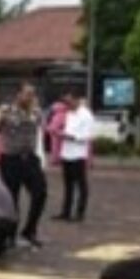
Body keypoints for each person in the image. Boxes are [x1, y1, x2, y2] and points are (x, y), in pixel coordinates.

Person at [0, 82, 47, 248]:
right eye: (27, 94)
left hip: (29, 158)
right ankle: (9, 234)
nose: (31, 97)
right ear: (18, 95)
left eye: (33, 94)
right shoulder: (6, 111)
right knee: (11, 198)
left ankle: (29, 230)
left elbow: (39, 126)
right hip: (11, 159)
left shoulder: (36, 111)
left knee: (40, 192)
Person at [52, 92, 95, 222]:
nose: (67, 105)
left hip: (78, 154)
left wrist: (72, 137)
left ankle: (79, 212)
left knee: (81, 184)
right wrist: (61, 134)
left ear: (77, 100)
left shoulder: (86, 115)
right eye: (66, 102)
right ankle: (66, 211)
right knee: (68, 184)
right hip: (67, 152)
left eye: (69, 102)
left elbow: (88, 135)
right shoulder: (69, 113)